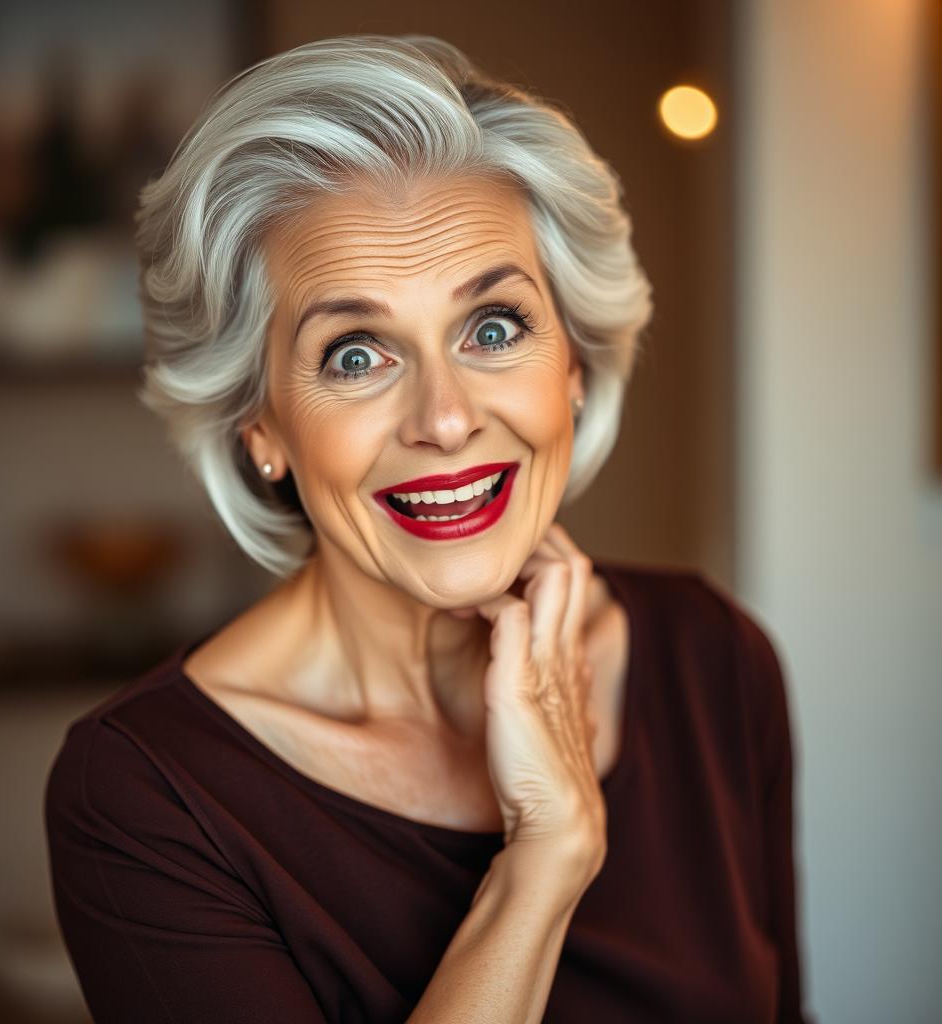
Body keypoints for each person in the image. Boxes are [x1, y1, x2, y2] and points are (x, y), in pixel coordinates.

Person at [44, 34, 813, 1023]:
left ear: (570, 370)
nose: (444, 419)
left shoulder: (708, 659)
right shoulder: (146, 796)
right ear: (262, 425)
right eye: (357, 354)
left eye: (493, 329)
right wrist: (543, 860)